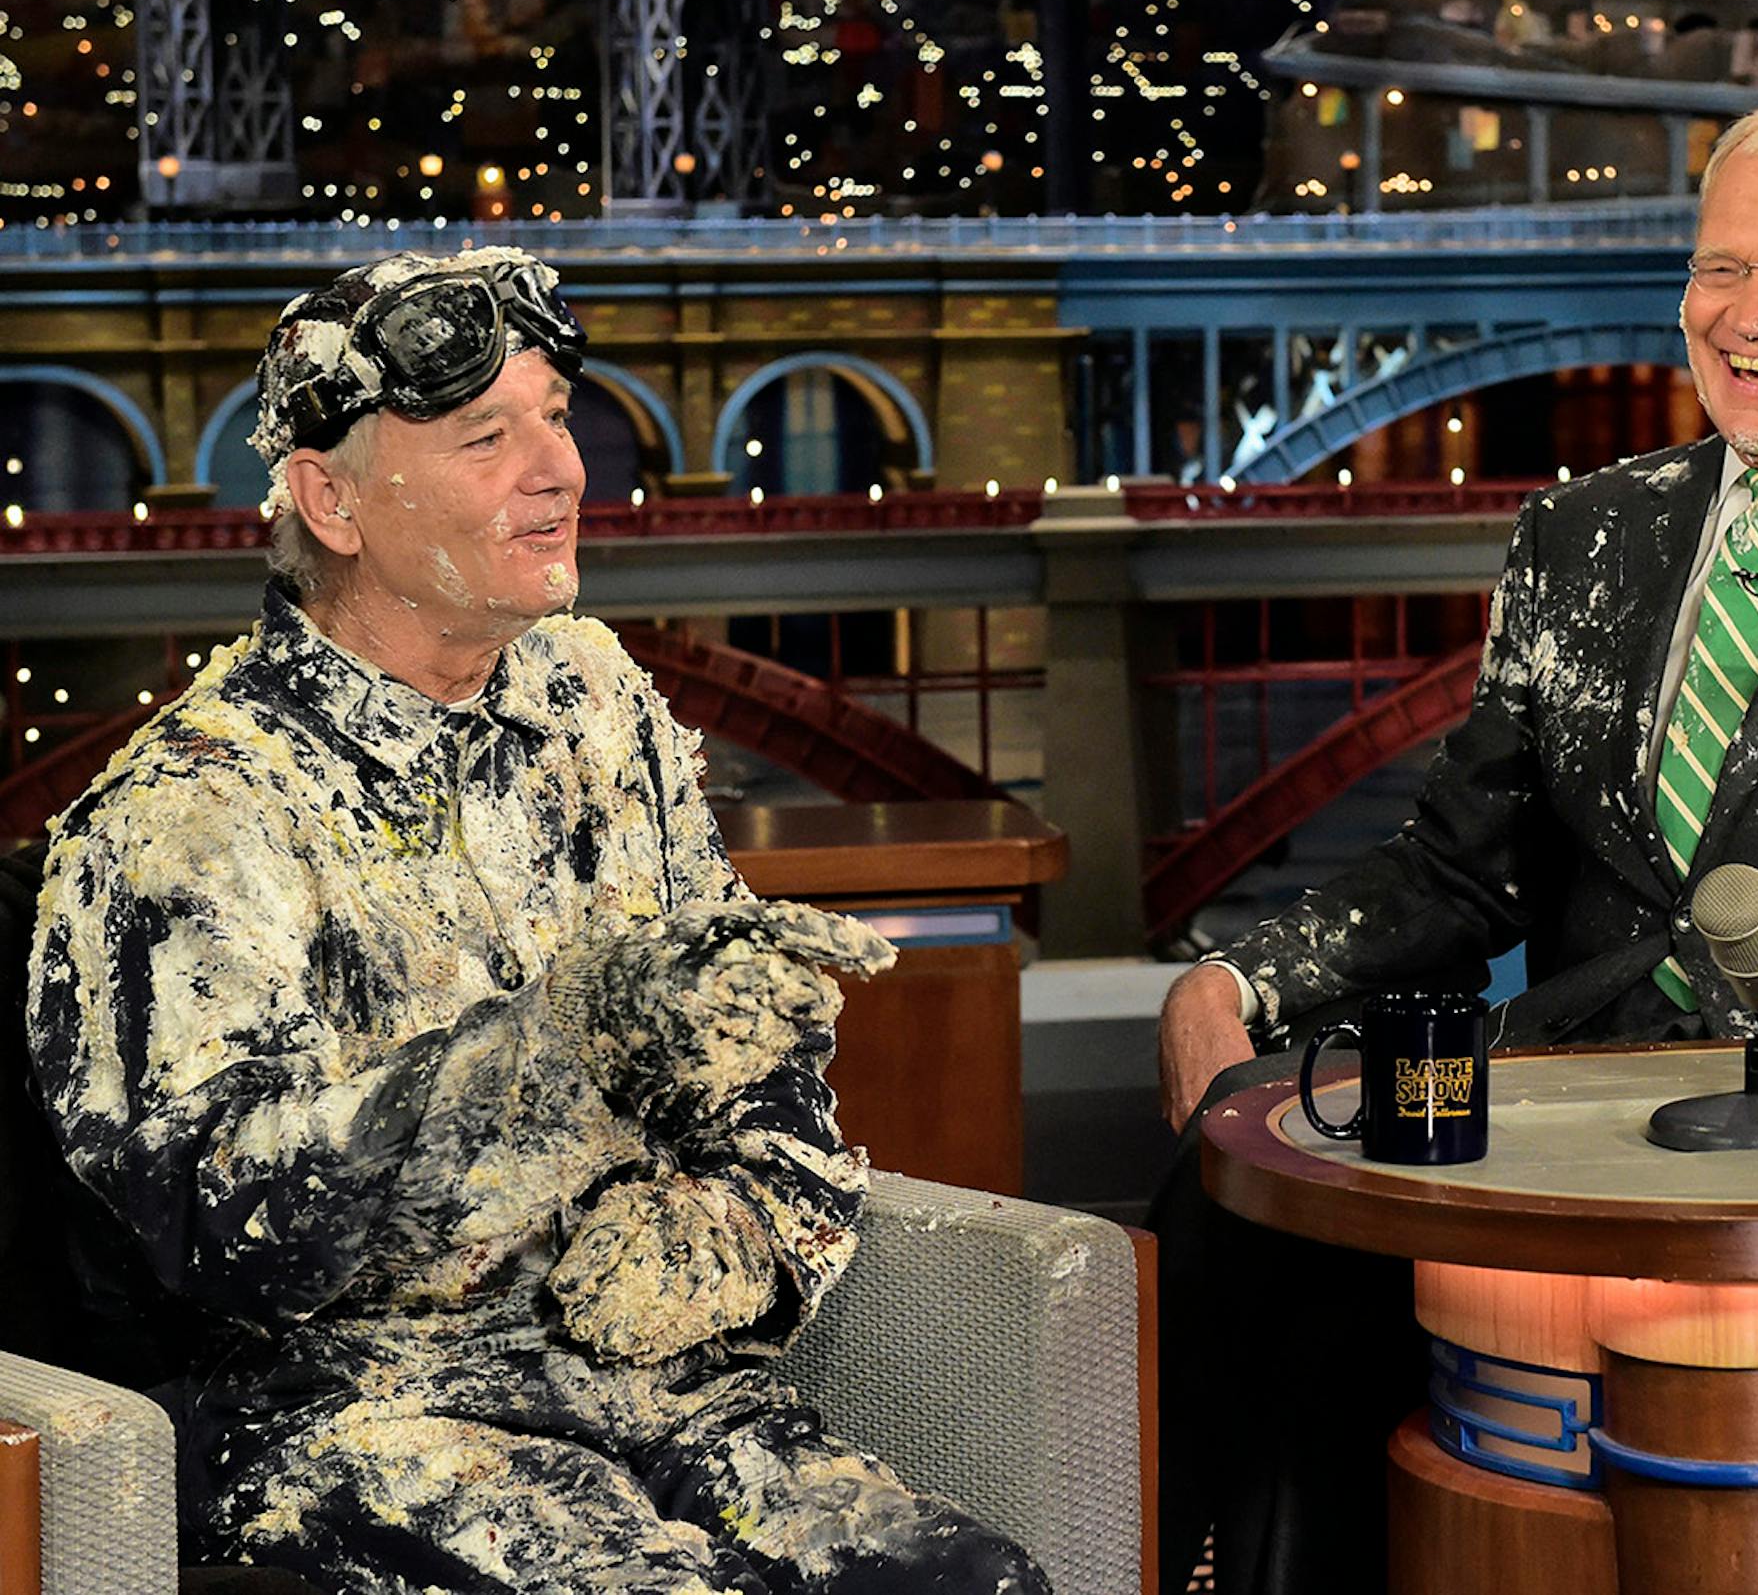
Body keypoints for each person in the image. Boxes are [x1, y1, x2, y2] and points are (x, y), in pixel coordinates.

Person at [1151, 92, 1758, 1592]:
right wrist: (1236, 985)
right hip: (1561, 1101)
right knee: (1247, 1240)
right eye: (1719, 268)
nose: (1746, 317)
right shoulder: (1581, 534)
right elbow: (1454, 865)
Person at [28, 248, 1050, 1595]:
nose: (560, 469)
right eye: (485, 436)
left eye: (558, 416)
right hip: (350, 1422)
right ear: (332, 498)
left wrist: (736, 1235)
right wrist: (555, 1053)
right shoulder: (187, 815)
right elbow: (223, 1226)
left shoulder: (594, 702)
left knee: (976, 1583)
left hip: (661, 1387)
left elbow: (753, 1051)